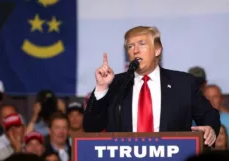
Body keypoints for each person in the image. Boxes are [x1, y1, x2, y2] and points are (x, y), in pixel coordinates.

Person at [84, 26, 220, 147]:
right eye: (130, 47)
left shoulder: (183, 83)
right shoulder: (115, 84)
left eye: (142, 44)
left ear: (157, 50)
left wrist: (210, 128)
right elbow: (91, 127)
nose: (135, 51)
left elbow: (209, 114)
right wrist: (101, 88)